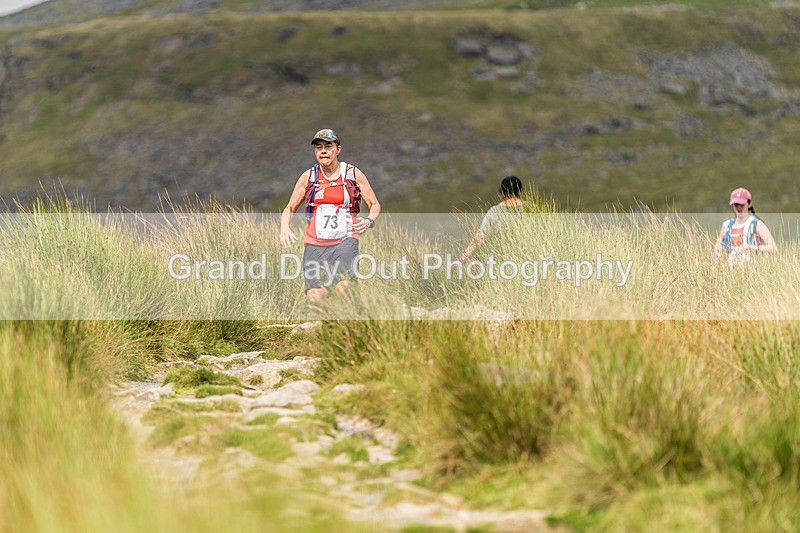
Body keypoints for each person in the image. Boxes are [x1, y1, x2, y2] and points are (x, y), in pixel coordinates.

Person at [280, 129, 380, 305]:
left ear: (338, 150)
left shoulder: (352, 173)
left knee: (345, 288)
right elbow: (290, 207)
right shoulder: (308, 177)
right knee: (315, 297)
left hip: (345, 240)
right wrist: (284, 228)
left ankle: (354, 326)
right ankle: (326, 329)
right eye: (319, 147)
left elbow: (374, 204)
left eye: (328, 146)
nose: (323, 151)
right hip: (314, 244)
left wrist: (369, 220)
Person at [459, 176, 524, 262]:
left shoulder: (495, 211)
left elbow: (481, 237)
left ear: (502, 192)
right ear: (521, 191)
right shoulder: (533, 209)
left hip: (503, 262)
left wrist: (462, 260)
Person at [713, 187, 776, 265]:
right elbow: (717, 249)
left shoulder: (757, 224)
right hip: (729, 270)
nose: (739, 208)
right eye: (736, 204)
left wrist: (751, 248)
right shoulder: (726, 225)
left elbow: (773, 248)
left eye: (742, 204)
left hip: (752, 269)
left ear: (749, 204)